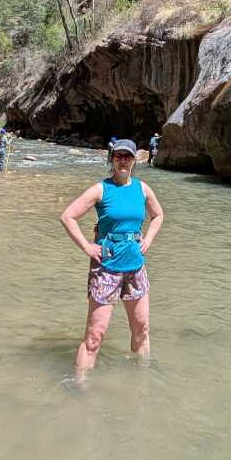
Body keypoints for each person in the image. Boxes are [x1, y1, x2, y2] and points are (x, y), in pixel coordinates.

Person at [60, 139, 165, 378]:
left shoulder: (142, 189)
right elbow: (68, 216)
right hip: (106, 269)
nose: (123, 160)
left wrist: (148, 239)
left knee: (142, 330)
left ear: (134, 160)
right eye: (118, 156)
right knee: (94, 337)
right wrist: (87, 246)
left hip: (135, 268)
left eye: (127, 156)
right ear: (111, 159)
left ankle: (142, 380)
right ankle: (79, 386)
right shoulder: (101, 189)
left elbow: (158, 215)